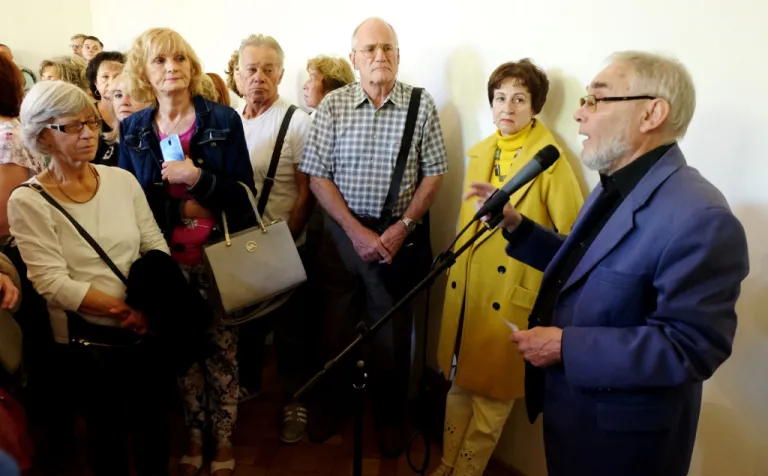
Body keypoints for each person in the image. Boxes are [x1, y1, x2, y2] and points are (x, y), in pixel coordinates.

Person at [465, 51, 749, 476]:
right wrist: (517, 226)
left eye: (596, 100)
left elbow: (691, 347)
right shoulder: (613, 186)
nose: (579, 114)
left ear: (652, 113)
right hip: (573, 418)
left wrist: (564, 346)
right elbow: (589, 267)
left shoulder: (702, 217)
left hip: (624, 445)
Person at [299, 16, 448, 457]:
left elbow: (434, 173)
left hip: (396, 241)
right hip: (341, 237)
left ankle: (389, 419)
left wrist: (404, 227)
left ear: (399, 56)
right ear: (354, 59)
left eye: (387, 48)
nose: (379, 55)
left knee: (392, 337)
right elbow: (317, 176)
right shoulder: (334, 105)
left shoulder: (421, 104)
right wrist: (354, 230)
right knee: (334, 328)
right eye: (370, 49)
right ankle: (331, 406)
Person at [8, 80, 172, 476]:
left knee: (154, 434)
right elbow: (52, 283)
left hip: (143, 332)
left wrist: (147, 307)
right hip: (88, 345)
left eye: (92, 122)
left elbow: (154, 245)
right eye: (73, 126)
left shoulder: (121, 181)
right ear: (43, 137)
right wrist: (124, 312)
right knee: (106, 441)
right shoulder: (28, 200)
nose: (87, 133)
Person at [431, 59, 584, 476]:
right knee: (459, 387)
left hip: (511, 297)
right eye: (500, 98)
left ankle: (465, 473)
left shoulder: (549, 160)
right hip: (469, 296)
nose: (507, 107)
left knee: (492, 403)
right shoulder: (483, 151)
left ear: (535, 107)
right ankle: (446, 464)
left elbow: (573, 238)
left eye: (519, 99)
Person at [119, 27, 256, 476]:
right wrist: (180, 206)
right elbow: (130, 201)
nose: (171, 68)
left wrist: (199, 179)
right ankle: (194, 433)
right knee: (182, 352)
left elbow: (244, 195)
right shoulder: (134, 129)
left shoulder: (223, 120)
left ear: (192, 66)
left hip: (218, 257)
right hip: (165, 262)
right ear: (144, 72)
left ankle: (223, 437)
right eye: (159, 60)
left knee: (222, 353)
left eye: (179, 58)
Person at [233, 33, 313, 444]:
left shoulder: (297, 122)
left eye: (268, 69)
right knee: (245, 327)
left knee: (291, 335)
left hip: (285, 245)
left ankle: (296, 400)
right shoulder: (230, 120)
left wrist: (288, 241)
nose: (259, 77)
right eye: (251, 68)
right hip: (240, 246)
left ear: (281, 74)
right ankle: (248, 384)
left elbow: (306, 192)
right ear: (237, 73)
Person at [85, 51, 125, 165]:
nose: (111, 82)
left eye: (117, 76)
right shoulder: (87, 115)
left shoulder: (135, 113)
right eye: (105, 77)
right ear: (95, 83)